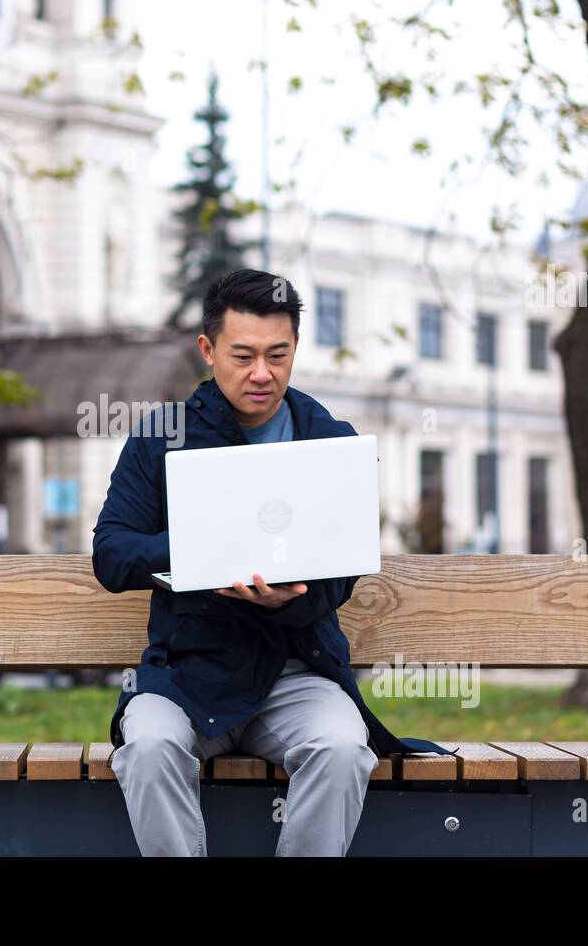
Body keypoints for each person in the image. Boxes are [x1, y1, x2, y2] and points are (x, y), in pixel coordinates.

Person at [92, 268, 456, 856]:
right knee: (149, 747)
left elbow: (342, 572)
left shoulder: (330, 441)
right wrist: (207, 545)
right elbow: (111, 557)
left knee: (342, 747)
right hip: (188, 674)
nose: (261, 373)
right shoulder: (161, 438)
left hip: (296, 671)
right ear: (208, 350)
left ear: (294, 350)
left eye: (277, 355)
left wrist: (297, 599)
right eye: (243, 355)